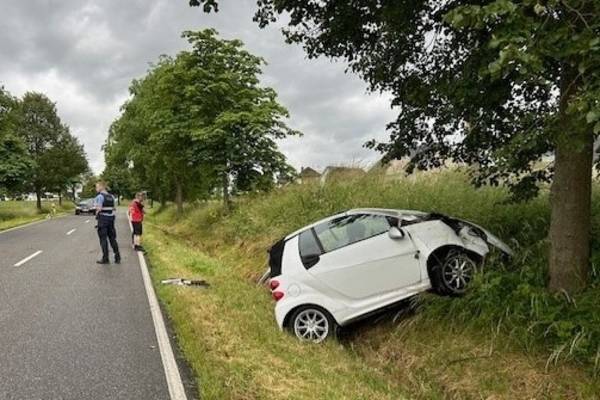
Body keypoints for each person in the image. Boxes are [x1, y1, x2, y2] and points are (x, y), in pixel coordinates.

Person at [94, 181, 120, 264]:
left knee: (103, 239)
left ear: (101, 187)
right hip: (111, 219)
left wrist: (96, 212)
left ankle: (105, 258)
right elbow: (114, 208)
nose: (96, 188)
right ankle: (117, 257)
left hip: (103, 219)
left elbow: (99, 208)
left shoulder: (100, 196)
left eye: (97, 187)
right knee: (112, 238)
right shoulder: (111, 196)